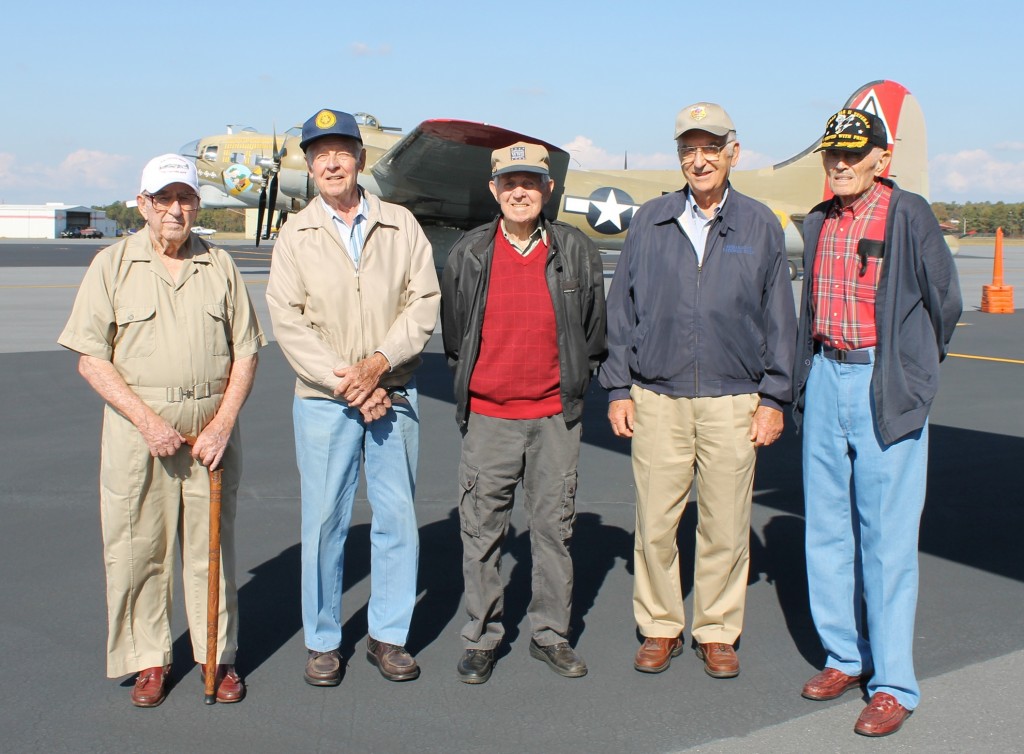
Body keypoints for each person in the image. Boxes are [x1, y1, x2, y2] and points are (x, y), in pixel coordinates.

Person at [58, 154, 265, 707]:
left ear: (197, 205)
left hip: (209, 433)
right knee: (137, 548)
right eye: (165, 199)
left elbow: (246, 352)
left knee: (211, 549)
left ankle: (215, 657)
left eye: (187, 199)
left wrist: (222, 424)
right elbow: (91, 358)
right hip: (137, 430)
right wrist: (149, 423)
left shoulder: (219, 264)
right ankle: (148, 660)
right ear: (144, 204)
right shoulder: (112, 264)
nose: (177, 209)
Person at [599, 103, 796, 679]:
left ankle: (716, 630)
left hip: (733, 398)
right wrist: (618, 389)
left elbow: (779, 317)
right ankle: (661, 625)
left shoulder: (759, 224)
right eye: (689, 148)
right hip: (657, 397)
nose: (700, 159)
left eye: (711, 147)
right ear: (679, 155)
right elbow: (622, 312)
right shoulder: (651, 220)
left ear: (733, 152)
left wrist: (775, 397)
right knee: (656, 522)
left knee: (725, 524)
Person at [792, 108, 961, 737]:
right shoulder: (818, 220)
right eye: (832, 154)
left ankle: (892, 685)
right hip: (827, 376)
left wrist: (912, 374)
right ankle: (843, 656)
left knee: (886, 541)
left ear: (880, 160)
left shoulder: (906, 212)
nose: (839, 164)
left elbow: (944, 300)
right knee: (827, 531)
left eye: (852, 155)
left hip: (880, 383)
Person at [266, 109, 440, 687]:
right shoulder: (295, 235)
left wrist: (379, 365)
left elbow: (423, 302)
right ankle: (322, 640)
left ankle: (389, 636)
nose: (332, 162)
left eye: (342, 151)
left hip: (394, 391)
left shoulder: (401, 225)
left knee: (396, 518)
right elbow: (287, 322)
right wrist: (350, 383)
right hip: (325, 400)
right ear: (310, 165)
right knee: (323, 522)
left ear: (361, 160)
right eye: (320, 154)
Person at [441, 142, 606, 684]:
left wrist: (572, 388)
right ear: (494, 190)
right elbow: (455, 334)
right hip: (489, 418)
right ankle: (482, 635)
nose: (519, 191)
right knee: (482, 531)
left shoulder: (575, 250)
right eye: (509, 182)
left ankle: (550, 634)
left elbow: (592, 332)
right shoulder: (469, 253)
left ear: (548, 189)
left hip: (555, 417)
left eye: (531, 182)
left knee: (553, 530)